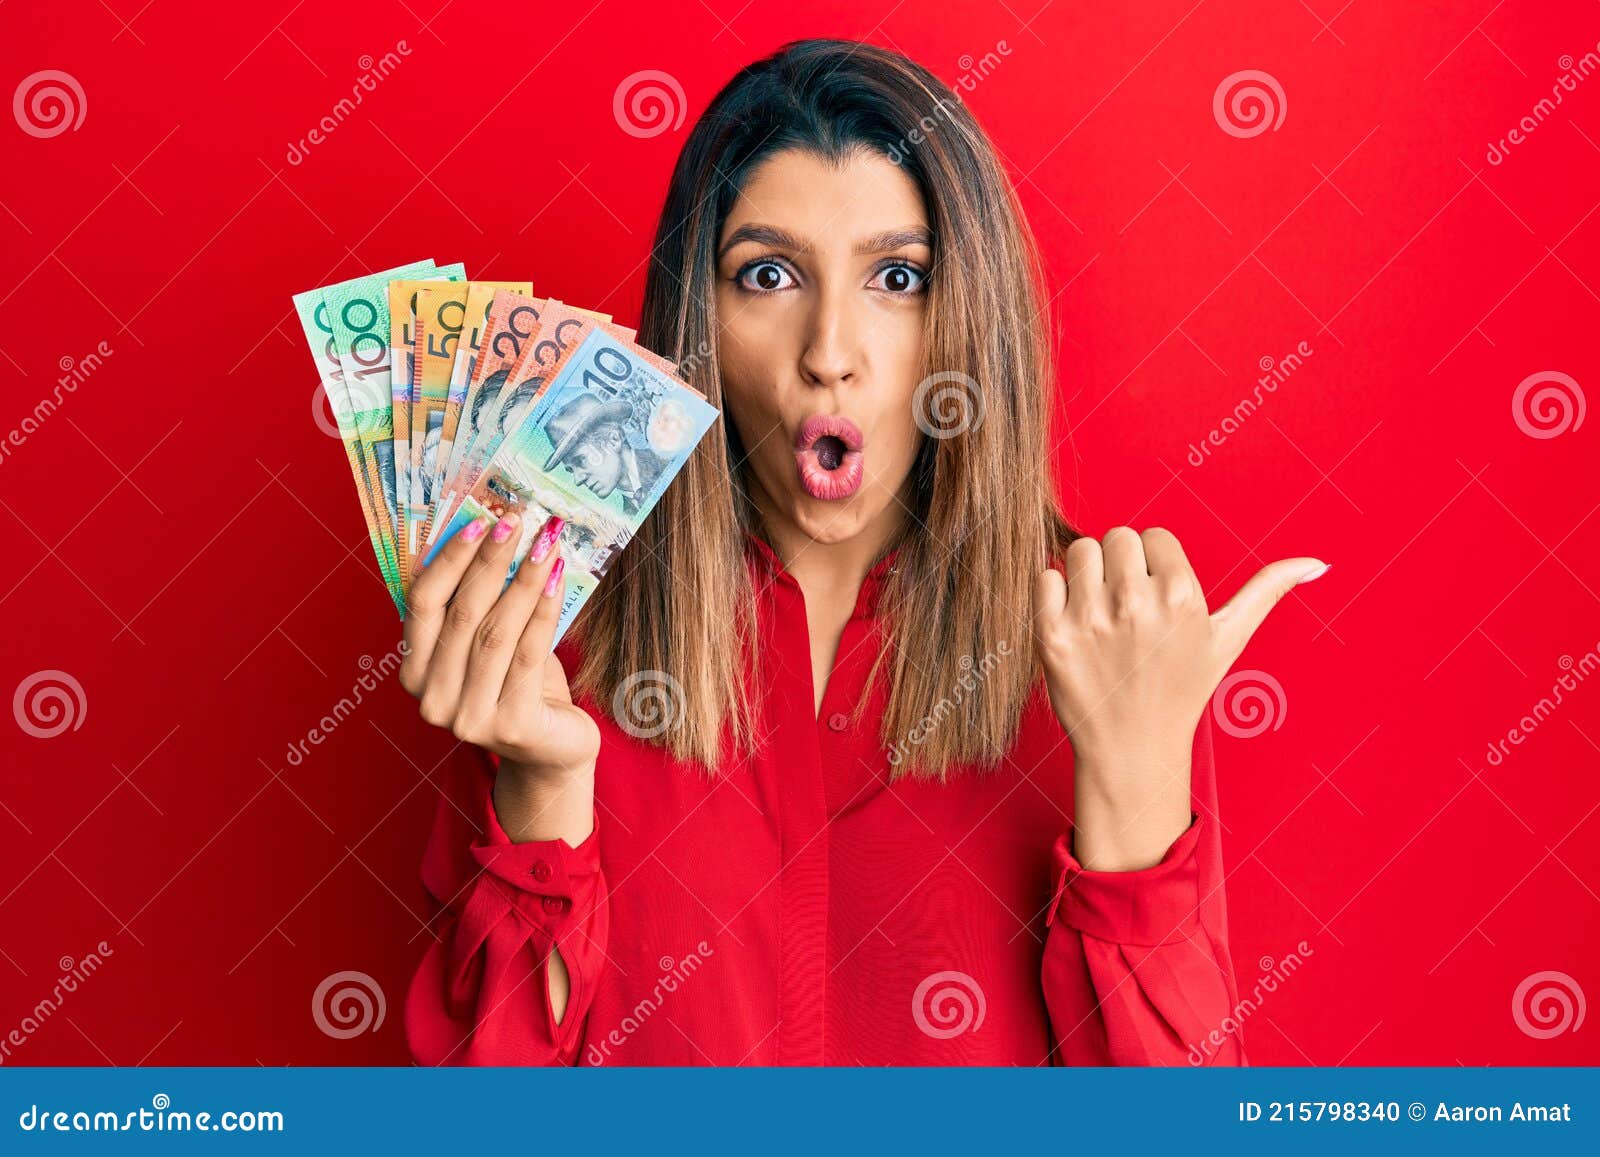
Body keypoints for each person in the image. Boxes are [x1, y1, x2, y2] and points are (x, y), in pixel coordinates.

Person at [399, 38, 1328, 1066]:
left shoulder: (1106, 650)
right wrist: (542, 789)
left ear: (971, 318)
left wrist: (1135, 773)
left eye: (897, 276)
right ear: (695, 318)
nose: (829, 350)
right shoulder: (549, 642)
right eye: (767, 274)